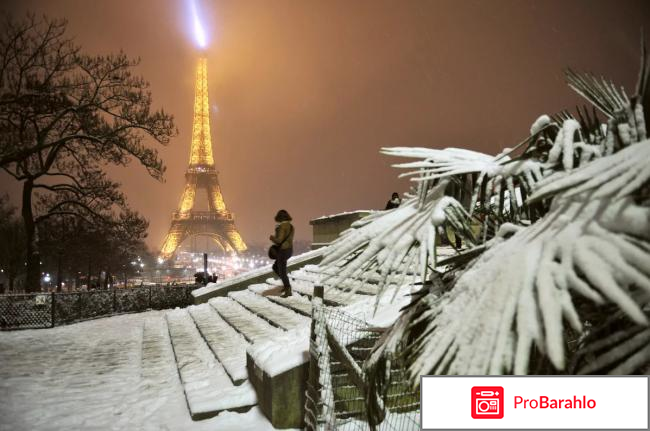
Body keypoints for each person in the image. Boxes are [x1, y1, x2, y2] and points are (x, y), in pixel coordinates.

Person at [270, 209, 294, 297]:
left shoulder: (281, 227)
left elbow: (279, 240)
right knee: (277, 267)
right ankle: (286, 284)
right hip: (289, 250)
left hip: (283, 251)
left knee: (281, 271)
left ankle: (288, 289)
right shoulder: (291, 226)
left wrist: (272, 237)